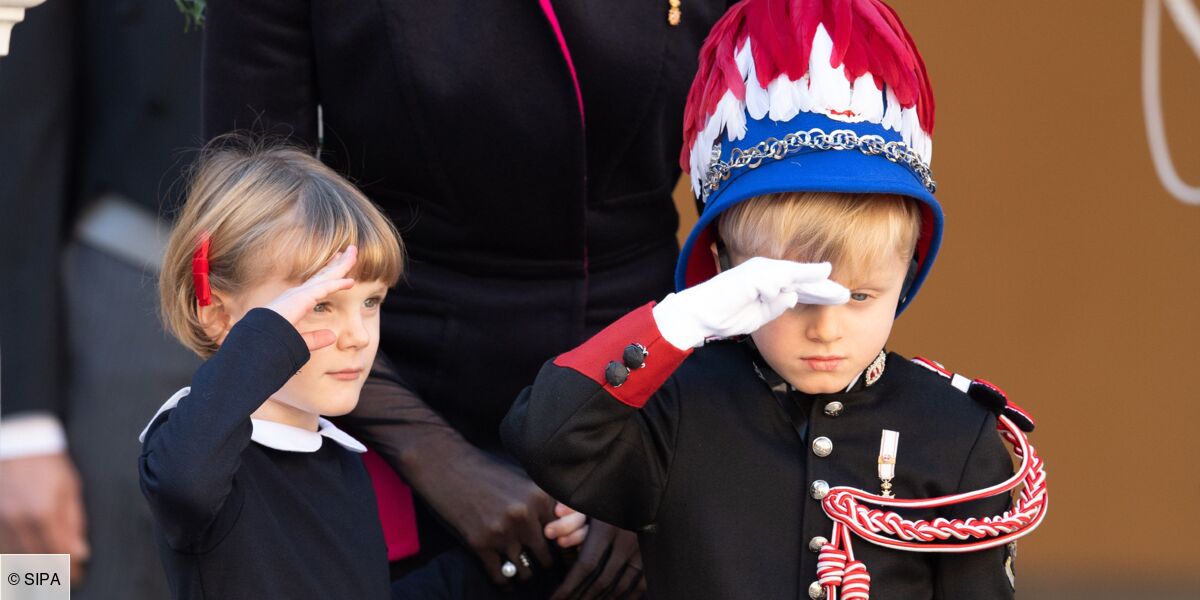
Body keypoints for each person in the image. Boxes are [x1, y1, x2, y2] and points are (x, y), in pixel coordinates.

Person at [500, 1, 1048, 598]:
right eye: (790, 297)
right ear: (728, 273)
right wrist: (685, 318)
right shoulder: (680, 406)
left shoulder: (955, 433)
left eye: (861, 295)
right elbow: (545, 440)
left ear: (907, 277)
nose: (827, 330)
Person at [200, 0, 740, 595]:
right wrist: (433, 456)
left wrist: (668, 455)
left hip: (652, 377)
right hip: (385, 384)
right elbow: (250, 213)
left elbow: (770, 221)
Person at [137, 141, 589, 598]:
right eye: (320, 305)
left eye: (370, 301)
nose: (358, 335)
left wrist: (541, 549)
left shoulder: (337, 455)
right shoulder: (195, 446)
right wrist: (270, 338)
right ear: (217, 315)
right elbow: (184, 484)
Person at [0, 2, 202, 597]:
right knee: (38, 587)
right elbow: (15, 143)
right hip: (128, 294)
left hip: (366, 314)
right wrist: (18, 427)